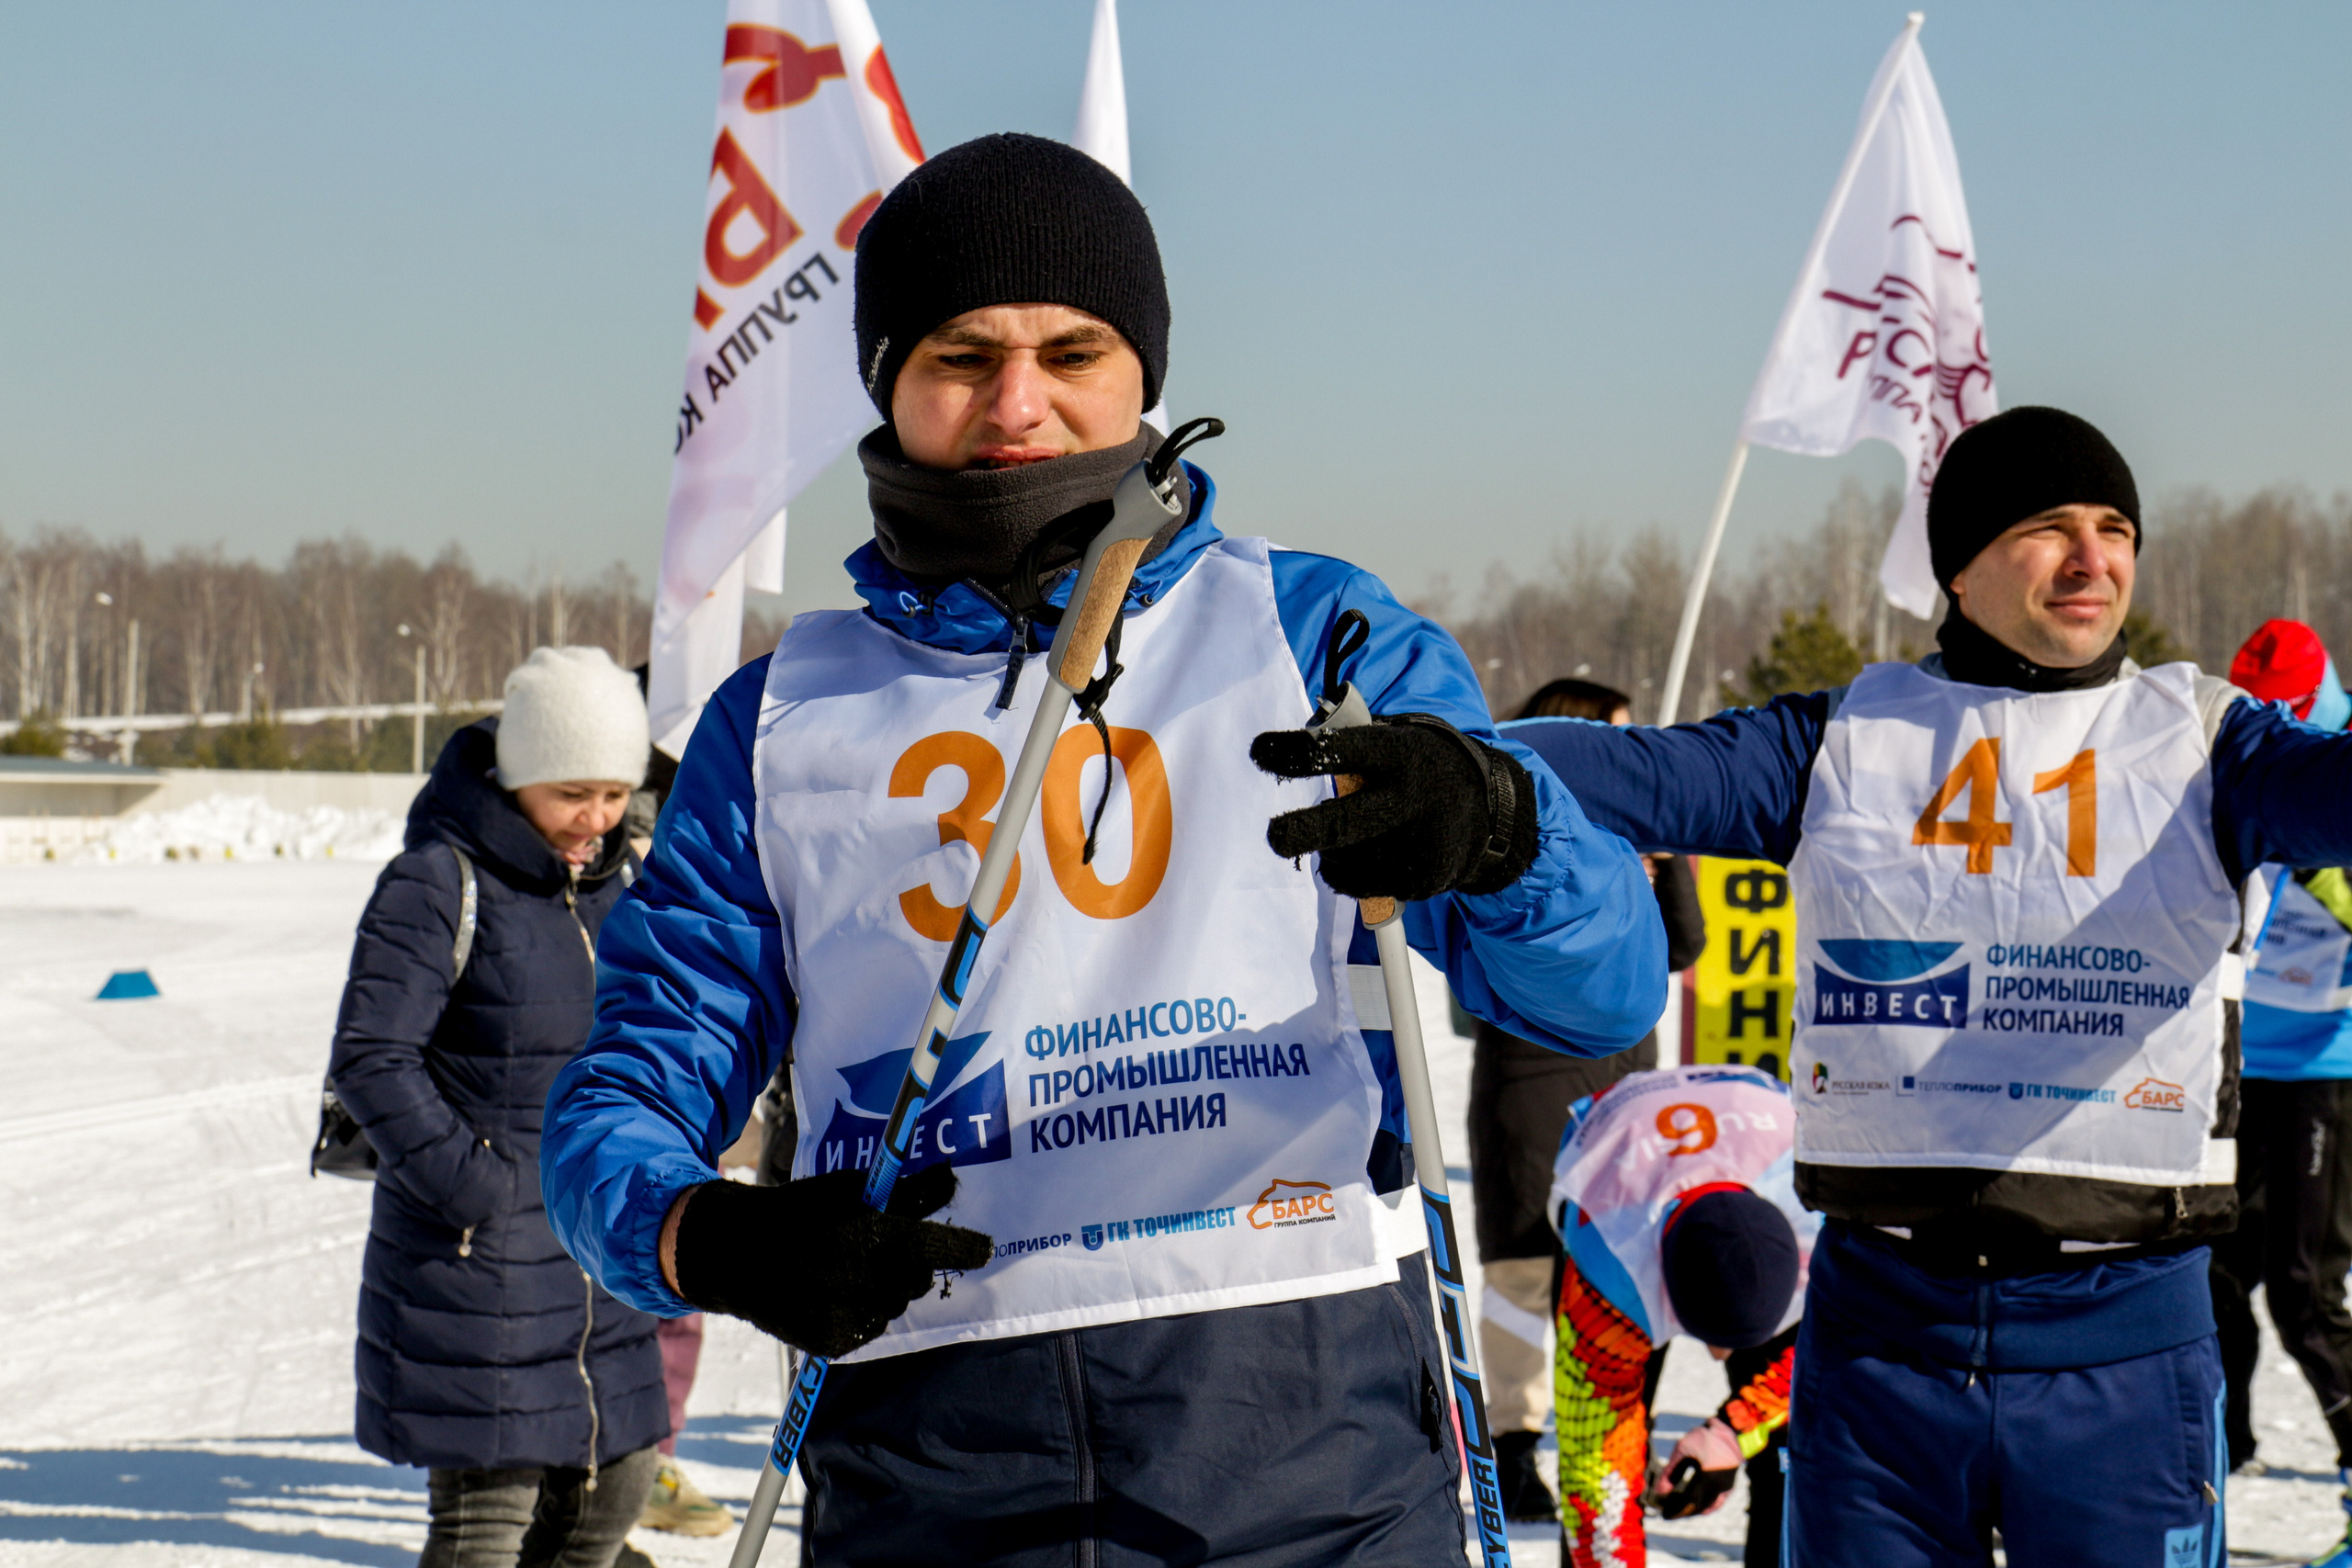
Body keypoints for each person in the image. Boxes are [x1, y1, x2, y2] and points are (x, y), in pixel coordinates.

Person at [539, 132, 1666, 1565]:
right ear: (889, 377)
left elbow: (1602, 991)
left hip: (1304, 1457)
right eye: (962, 354)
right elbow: (617, 1097)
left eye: (1073, 349)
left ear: (1146, 372)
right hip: (930, 1468)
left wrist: (1505, 832)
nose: (1021, 404)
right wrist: (710, 1235)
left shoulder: (1314, 630)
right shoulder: (782, 717)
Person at [1506, 406, 2352, 1566]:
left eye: (2115, 530)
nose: (2093, 559)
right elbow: (1638, 772)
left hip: (2126, 1346)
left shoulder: (2209, 741)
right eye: (2048, 529)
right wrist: (1456, 763)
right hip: (1880, 1348)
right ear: (1959, 566)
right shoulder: (1848, 737)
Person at [331, 646, 668, 1568]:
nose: (593, 820)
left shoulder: (611, 886)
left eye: (612, 793)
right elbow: (371, 1057)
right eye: (571, 794)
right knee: (489, 1521)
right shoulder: (438, 883)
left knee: (614, 1495)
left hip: (599, 1249)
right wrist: (483, 1188)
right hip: (482, 1263)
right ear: (519, 775)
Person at [1465, 677, 1706, 1523]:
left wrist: (1664, 854)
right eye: (1618, 738)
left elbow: (1685, 944)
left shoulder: (1631, 836)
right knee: (1528, 1273)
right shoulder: (1506, 820)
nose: (1630, 756)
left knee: (1624, 1269)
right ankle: (1510, 1440)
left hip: (1626, 1092)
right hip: (1533, 1086)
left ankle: (1612, 1440)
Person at [1547, 1062, 1812, 1568]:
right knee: (1613, 1453)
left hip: (1763, 1134)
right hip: (1620, 1167)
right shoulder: (1609, 1271)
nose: (1718, 1358)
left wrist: (1731, 1434)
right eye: (1709, 1337)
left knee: (1792, 1446)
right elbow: (1596, 1470)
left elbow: (1823, 1357)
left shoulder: (1821, 1218)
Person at [2209, 621, 2352, 1542]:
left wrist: (2312, 851)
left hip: (2323, 1068)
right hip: (2236, 1062)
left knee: (2304, 1286)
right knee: (2209, 1272)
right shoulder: (2240, 749)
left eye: (2284, 710)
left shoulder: (2335, 763)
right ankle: (2211, 1461)